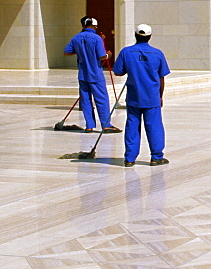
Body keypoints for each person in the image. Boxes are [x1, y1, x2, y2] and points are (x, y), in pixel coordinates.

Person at [113, 24, 171, 167]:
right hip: (152, 97)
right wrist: (160, 96)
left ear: (136, 35)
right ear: (150, 37)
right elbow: (161, 77)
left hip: (134, 97)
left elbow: (118, 72)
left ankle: (129, 158)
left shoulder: (126, 52)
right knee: (154, 126)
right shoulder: (157, 53)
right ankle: (156, 157)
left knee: (132, 126)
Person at [64, 16, 120, 133]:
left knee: (86, 100)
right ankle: (106, 125)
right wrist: (108, 55)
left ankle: (89, 125)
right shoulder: (96, 38)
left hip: (83, 74)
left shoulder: (76, 38)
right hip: (95, 74)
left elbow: (67, 51)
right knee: (101, 99)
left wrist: (80, 51)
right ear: (94, 26)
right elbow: (101, 56)